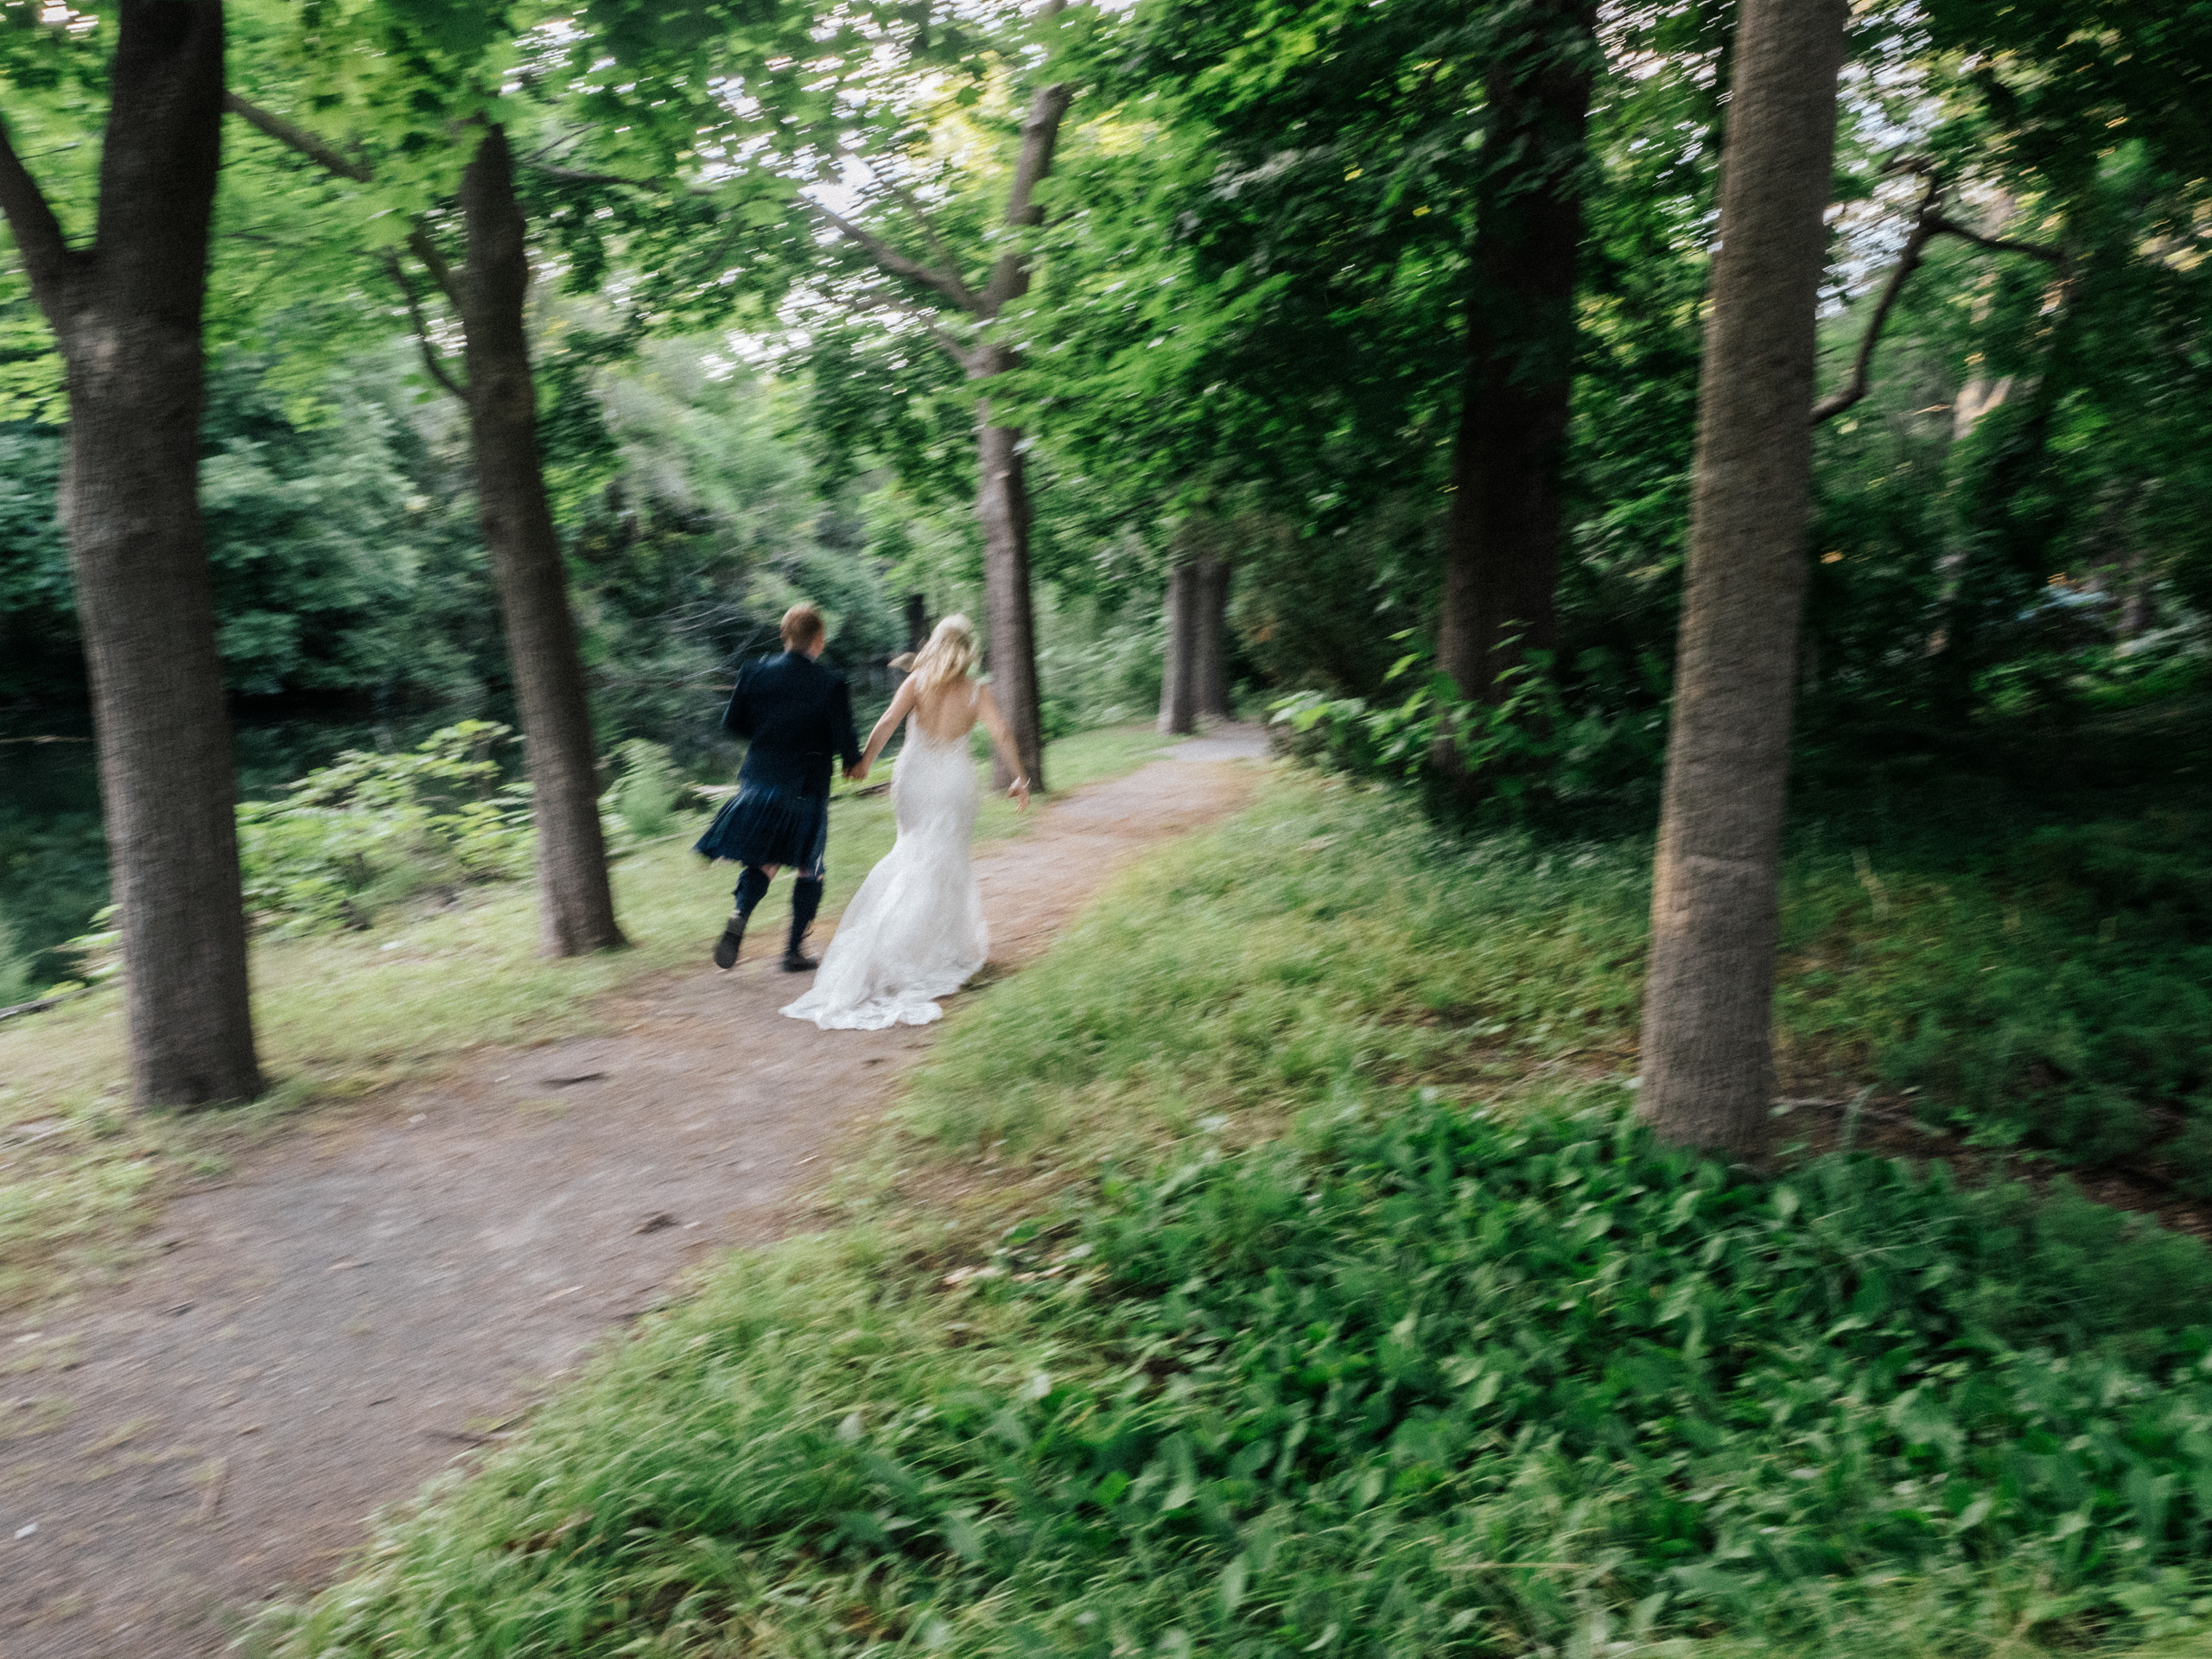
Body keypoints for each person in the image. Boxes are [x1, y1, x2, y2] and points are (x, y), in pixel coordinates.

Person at [780, 614, 1028, 1031]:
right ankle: (933, 948)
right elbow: (1002, 732)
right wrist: (1020, 777)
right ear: (969, 649)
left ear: (936, 643)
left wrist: (863, 764)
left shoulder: (916, 682)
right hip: (953, 782)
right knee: (946, 861)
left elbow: (886, 723)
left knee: (912, 854)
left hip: (914, 778)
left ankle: (898, 944)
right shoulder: (977, 691)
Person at [696, 602, 861, 972]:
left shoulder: (753, 672)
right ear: (819, 639)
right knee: (809, 867)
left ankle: (739, 914)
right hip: (807, 787)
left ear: (784, 636)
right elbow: (844, 739)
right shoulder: (831, 682)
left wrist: (771, 733)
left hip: (760, 780)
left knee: (764, 860)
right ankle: (793, 951)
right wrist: (852, 761)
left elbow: (733, 724)